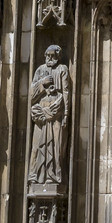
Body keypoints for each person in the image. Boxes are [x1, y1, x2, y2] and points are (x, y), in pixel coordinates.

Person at [27, 45, 72, 186]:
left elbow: (66, 92)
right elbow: (31, 95)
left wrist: (65, 113)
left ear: (58, 56)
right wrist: (42, 83)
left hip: (56, 113)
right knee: (37, 147)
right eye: (47, 55)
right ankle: (36, 176)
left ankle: (53, 177)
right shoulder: (40, 70)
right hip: (40, 115)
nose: (49, 58)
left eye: (52, 55)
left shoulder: (62, 69)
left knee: (56, 148)